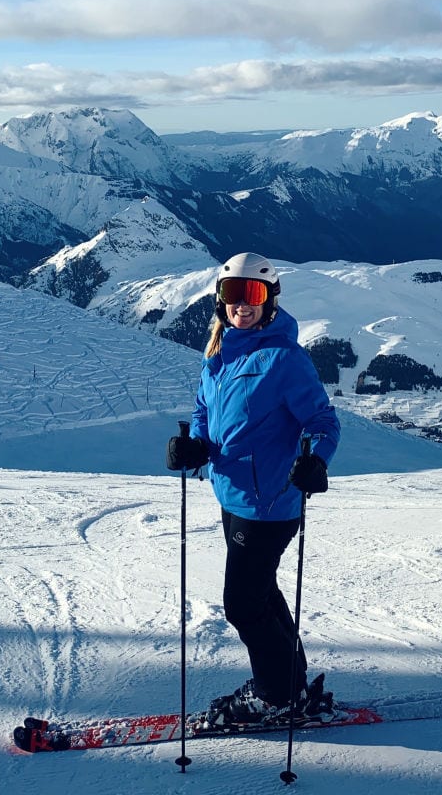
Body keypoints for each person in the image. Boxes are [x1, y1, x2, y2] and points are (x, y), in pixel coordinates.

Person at [166, 251, 340, 727]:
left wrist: (314, 462)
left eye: (254, 294)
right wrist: (194, 447)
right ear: (221, 301)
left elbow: (325, 424)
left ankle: (275, 694)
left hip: (271, 503)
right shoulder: (219, 354)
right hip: (233, 495)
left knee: (242, 604)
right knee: (262, 595)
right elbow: (204, 414)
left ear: (270, 300)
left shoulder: (285, 359)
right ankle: (290, 684)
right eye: (232, 294)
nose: (242, 304)